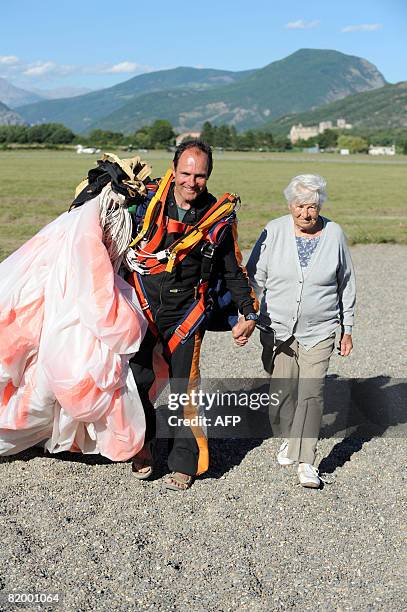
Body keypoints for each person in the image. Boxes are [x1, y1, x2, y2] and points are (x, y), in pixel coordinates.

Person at [129, 139, 258, 491]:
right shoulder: (146, 202)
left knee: (184, 390)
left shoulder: (217, 215)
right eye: (185, 173)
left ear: (208, 176)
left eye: (200, 175)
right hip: (143, 305)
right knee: (137, 382)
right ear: (174, 170)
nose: (191, 181)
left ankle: (184, 462)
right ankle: (142, 448)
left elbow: (233, 268)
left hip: (186, 312)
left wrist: (247, 310)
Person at [247, 174, 355, 488]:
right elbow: (254, 277)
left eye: (312, 206)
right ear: (289, 204)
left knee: (312, 393)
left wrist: (347, 328)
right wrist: (249, 316)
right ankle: (288, 437)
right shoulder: (274, 230)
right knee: (281, 392)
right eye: (300, 206)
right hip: (277, 328)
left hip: (320, 329)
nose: (306, 213)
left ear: (320, 205)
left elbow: (346, 283)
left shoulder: (334, 233)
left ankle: (307, 459)